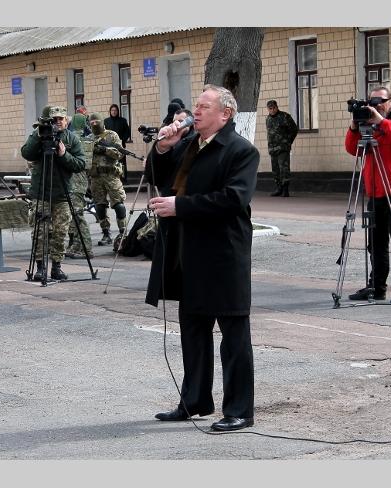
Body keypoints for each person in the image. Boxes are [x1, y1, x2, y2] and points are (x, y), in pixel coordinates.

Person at [145, 84, 259, 432]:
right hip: (188, 251)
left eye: (204, 106)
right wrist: (163, 148)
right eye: (196, 105)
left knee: (233, 336)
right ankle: (195, 400)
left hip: (223, 255)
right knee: (193, 331)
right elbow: (157, 177)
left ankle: (239, 409)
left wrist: (180, 206)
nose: (195, 111)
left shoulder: (241, 151)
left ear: (225, 114)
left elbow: (233, 199)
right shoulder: (188, 144)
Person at [345, 86, 391, 304]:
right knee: (375, 244)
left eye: (380, 101)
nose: (376, 106)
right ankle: (377, 287)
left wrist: (382, 122)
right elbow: (353, 149)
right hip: (375, 191)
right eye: (372, 102)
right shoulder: (368, 125)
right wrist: (354, 127)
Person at [21, 106, 86, 280]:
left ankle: (57, 267)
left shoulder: (71, 139)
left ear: (66, 120)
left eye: (60, 119)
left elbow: (81, 164)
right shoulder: (39, 135)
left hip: (62, 193)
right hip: (41, 191)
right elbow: (26, 153)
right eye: (54, 119)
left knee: (61, 231)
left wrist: (64, 155)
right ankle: (40, 268)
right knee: (40, 232)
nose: (57, 122)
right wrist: (38, 135)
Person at [87, 112, 127, 246]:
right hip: (96, 177)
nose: (94, 124)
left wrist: (105, 150)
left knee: (119, 205)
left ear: (102, 122)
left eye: (96, 122)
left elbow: (120, 153)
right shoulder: (89, 138)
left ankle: (122, 233)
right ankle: (106, 233)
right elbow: (85, 158)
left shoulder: (111, 135)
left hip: (111, 175)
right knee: (100, 206)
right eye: (92, 122)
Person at [65, 114, 94, 259]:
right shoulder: (88, 139)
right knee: (75, 216)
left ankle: (86, 249)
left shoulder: (72, 138)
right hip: (81, 181)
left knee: (77, 216)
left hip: (74, 182)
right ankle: (77, 245)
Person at [265, 100, 298, 197]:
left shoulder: (285, 117)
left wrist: (288, 142)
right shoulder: (268, 119)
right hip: (272, 149)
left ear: (277, 107)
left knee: (284, 169)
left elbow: (294, 129)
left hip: (283, 148)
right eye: (270, 108)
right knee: (275, 170)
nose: (272, 110)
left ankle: (285, 189)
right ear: (268, 109)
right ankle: (278, 188)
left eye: (274, 108)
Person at [104, 104, 131, 181]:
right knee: (110, 162)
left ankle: (123, 178)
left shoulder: (123, 121)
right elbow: (103, 133)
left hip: (121, 146)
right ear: (110, 111)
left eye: (115, 110)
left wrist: (123, 140)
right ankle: (111, 178)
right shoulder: (106, 121)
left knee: (121, 163)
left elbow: (127, 132)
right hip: (110, 146)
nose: (114, 112)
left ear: (118, 111)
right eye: (112, 110)